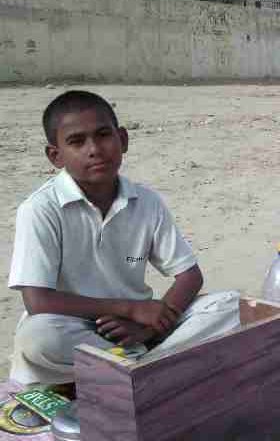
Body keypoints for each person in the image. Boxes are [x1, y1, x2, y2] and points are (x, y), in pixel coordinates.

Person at [7, 91, 238, 387]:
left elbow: (189, 276)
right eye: (77, 142)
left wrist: (149, 327)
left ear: (123, 140)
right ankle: (155, 366)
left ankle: (136, 366)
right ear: (55, 156)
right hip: (76, 327)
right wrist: (128, 308)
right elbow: (38, 300)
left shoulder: (146, 201)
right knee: (37, 339)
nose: (94, 149)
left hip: (142, 327)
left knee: (228, 305)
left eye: (103, 135)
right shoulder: (40, 209)